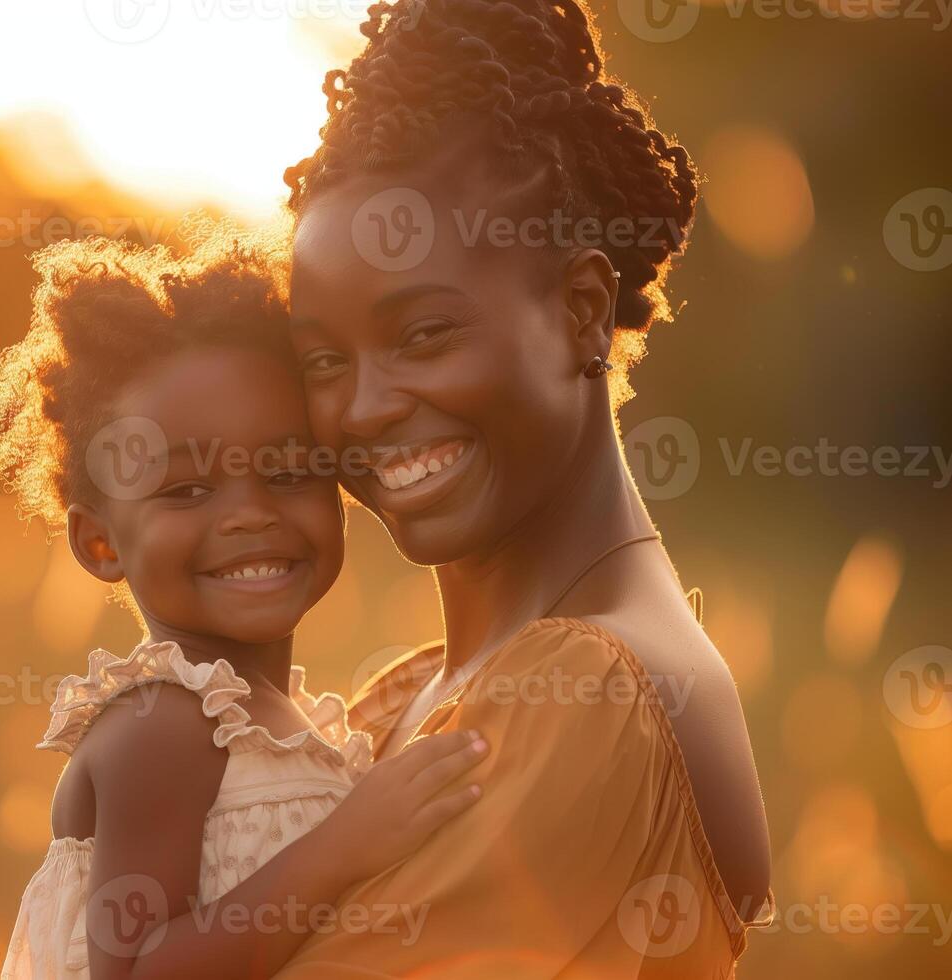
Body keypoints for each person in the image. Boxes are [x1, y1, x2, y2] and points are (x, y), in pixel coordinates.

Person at [276, 0, 773, 975]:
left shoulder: (590, 691)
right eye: (324, 358)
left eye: (423, 333)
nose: (366, 406)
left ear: (582, 309)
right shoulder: (429, 689)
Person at [0, 228, 489, 978]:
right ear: (101, 545)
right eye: (187, 491)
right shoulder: (165, 725)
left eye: (287, 473)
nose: (249, 515)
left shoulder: (279, 723)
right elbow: (138, 970)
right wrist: (344, 846)